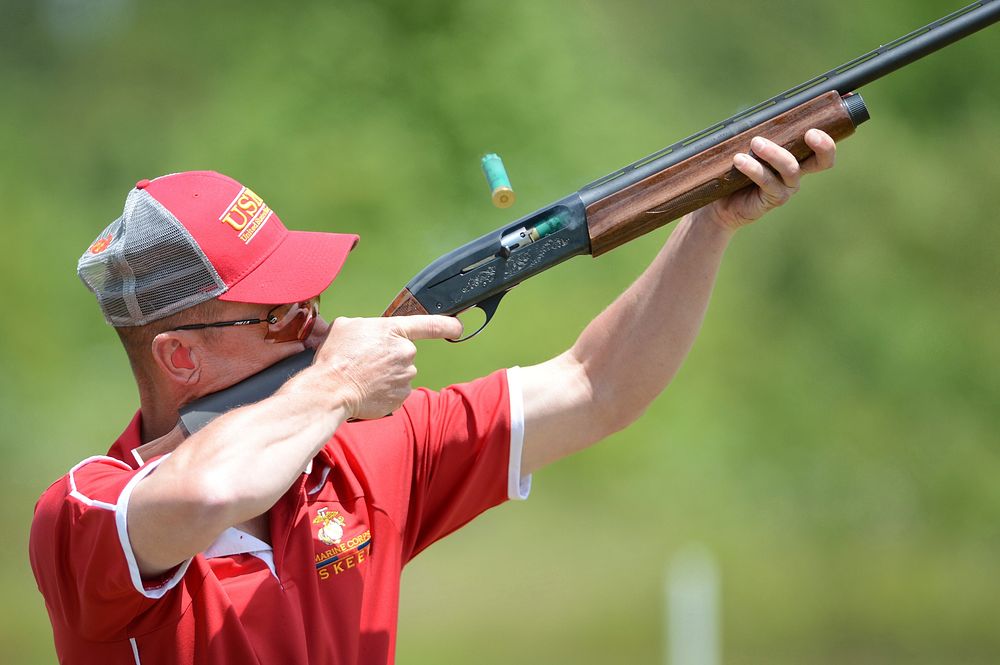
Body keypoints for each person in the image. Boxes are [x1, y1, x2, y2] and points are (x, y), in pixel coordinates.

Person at [29, 130, 837, 664]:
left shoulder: (356, 454)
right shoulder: (88, 515)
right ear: (179, 357)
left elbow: (598, 386)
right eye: (282, 313)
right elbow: (212, 488)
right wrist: (339, 383)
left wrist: (708, 223)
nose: (318, 321)